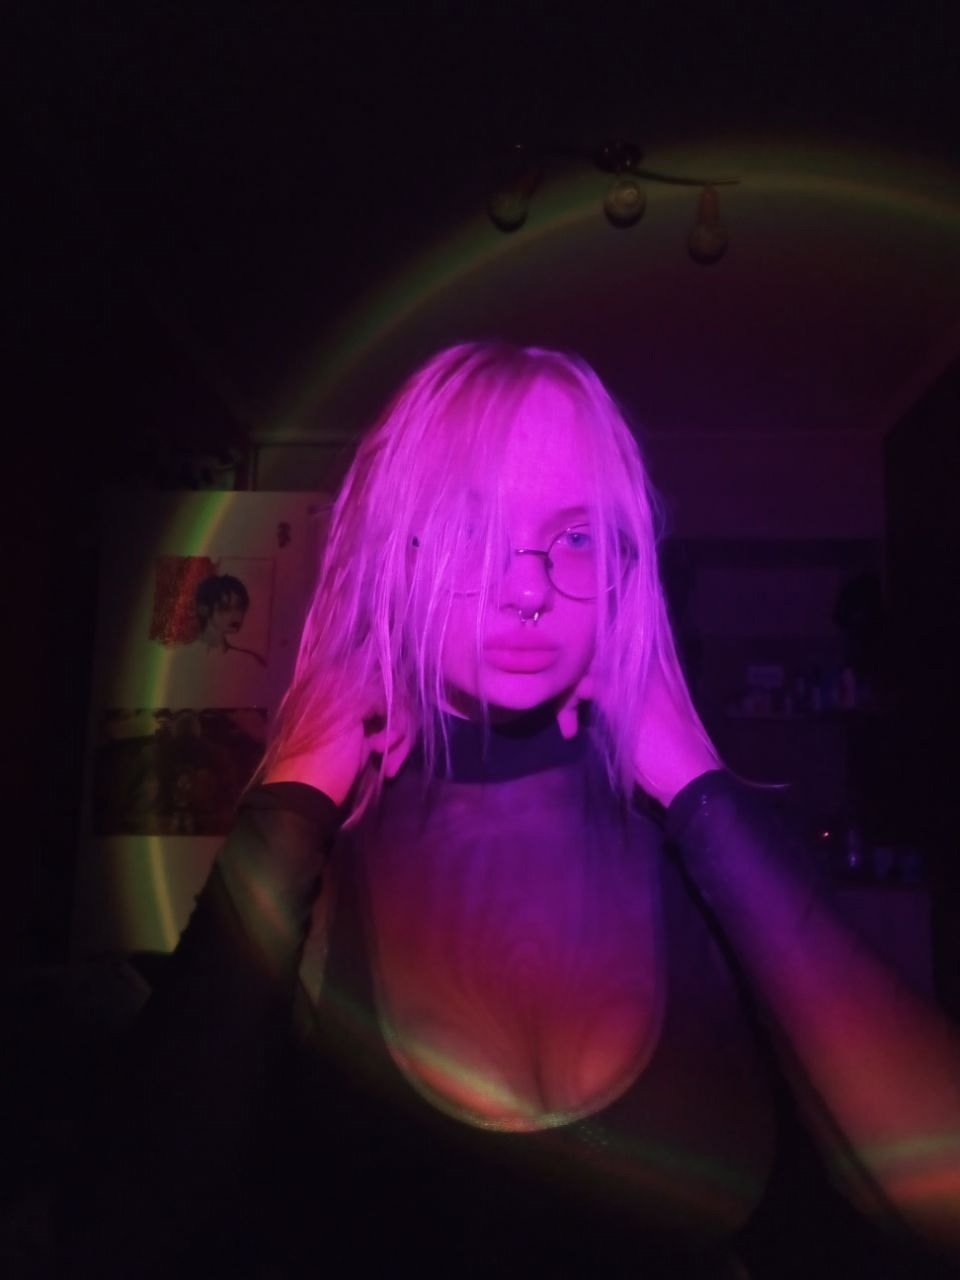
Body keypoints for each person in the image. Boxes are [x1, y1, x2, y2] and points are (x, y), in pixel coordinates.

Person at [59, 343, 960, 1278]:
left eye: (577, 537)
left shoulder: (703, 855)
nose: (529, 589)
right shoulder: (314, 871)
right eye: (467, 529)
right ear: (387, 556)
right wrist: (293, 793)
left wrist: (698, 784)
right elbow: (115, 1230)